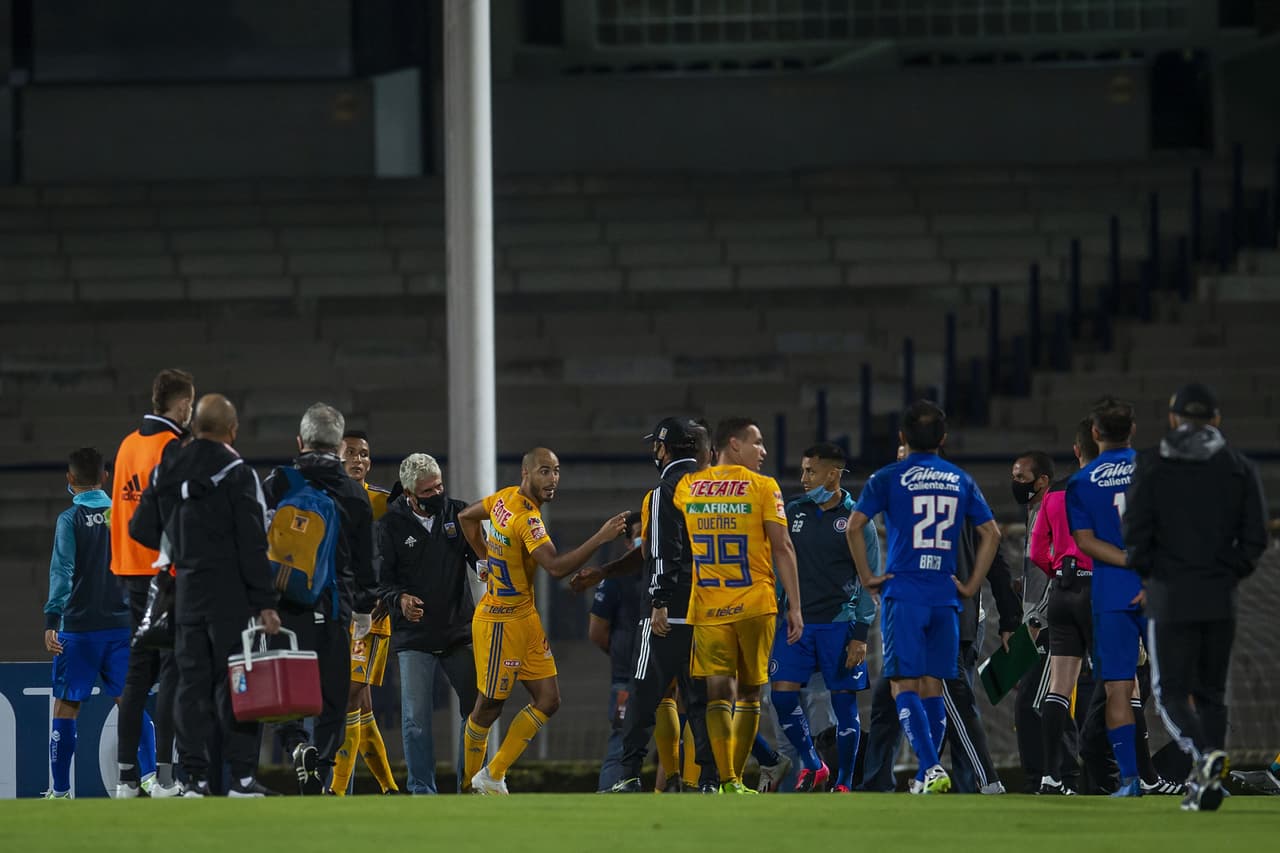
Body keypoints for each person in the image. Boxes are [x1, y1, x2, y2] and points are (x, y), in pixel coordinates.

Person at [129, 394, 282, 797]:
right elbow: (253, 543)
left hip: (186, 590)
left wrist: (179, 544)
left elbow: (140, 528)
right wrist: (265, 602)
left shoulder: (168, 466)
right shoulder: (238, 471)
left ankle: (192, 779)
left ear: (195, 427)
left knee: (189, 684)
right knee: (237, 681)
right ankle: (242, 779)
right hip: (229, 593)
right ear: (232, 431)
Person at [845, 401, 1001, 795]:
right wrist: (969, 585)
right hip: (946, 598)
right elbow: (993, 534)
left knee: (902, 683)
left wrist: (868, 578)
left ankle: (930, 767)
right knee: (933, 684)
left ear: (902, 437)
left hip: (905, 594)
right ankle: (925, 774)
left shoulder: (888, 477)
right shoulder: (960, 479)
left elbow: (854, 526)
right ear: (943, 439)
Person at [1125, 383, 1268, 811]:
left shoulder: (1152, 464)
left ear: (1173, 418)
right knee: (1211, 693)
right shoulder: (1238, 467)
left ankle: (1206, 757)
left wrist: (1155, 578)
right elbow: (1255, 539)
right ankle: (1210, 782)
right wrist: (1227, 573)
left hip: (1169, 595)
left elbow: (1134, 537)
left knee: (1170, 691)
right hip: (1219, 596)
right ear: (1216, 418)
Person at [458, 448, 628, 794]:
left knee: (549, 699)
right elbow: (556, 568)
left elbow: (466, 517)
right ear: (526, 473)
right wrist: (601, 537)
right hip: (499, 621)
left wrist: (485, 559)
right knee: (487, 707)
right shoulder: (527, 518)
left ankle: (491, 776)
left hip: (524, 617)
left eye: (556, 471)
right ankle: (468, 788)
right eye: (544, 472)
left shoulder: (504, 497)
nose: (553, 479)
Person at [672, 417, 803, 795]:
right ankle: (736, 780)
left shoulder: (688, 487)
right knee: (748, 694)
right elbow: (783, 547)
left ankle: (725, 778)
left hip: (709, 606)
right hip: (754, 603)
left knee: (718, 693)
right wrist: (795, 605)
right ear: (734, 443)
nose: (762, 451)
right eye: (756, 442)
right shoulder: (764, 487)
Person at [263, 403, 379, 795]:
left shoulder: (277, 482)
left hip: (281, 608)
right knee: (333, 699)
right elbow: (366, 561)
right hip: (333, 609)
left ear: (300, 441)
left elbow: (253, 543)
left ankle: (297, 745)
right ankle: (321, 772)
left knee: (282, 694)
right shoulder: (353, 493)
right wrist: (364, 609)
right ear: (338, 446)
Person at [605, 418, 718, 795]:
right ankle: (710, 779)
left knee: (643, 693)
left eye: (657, 445)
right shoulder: (712, 489)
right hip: (707, 607)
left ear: (665, 449)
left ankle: (629, 774)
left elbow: (662, 551)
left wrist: (659, 601)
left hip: (668, 609)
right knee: (698, 699)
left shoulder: (661, 492)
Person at [771, 442, 879, 793]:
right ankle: (814, 763)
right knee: (782, 697)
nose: (803, 478)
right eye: (803, 471)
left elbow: (869, 580)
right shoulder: (793, 511)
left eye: (811, 471)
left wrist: (860, 634)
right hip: (796, 624)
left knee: (844, 704)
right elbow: (779, 565)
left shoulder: (857, 519)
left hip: (840, 625)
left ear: (833, 474)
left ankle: (844, 782)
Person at [375, 453, 481, 795]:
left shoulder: (458, 512)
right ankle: (422, 790)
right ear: (409, 493)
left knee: (476, 711)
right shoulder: (390, 526)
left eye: (440, 486)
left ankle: (471, 783)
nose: (438, 493)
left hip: (458, 630)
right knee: (415, 721)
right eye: (428, 490)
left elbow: (478, 557)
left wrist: (487, 565)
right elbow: (384, 581)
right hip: (414, 636)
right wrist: (400, 601)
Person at [110, 368, 193, 798]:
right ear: (181, 406)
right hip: (163, 574)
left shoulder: (127, 444)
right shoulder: (171, 447)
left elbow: (121, 511)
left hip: (128, 572)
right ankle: (164, 777)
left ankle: (126, 778)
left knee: (137, 677)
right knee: (173, 673)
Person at [41, 448, 131, 799]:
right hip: (122, 626)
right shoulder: (122, 515)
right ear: (105, 477)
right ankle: (152, 781)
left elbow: (62, 571)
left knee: (66, 705)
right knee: (131, 702)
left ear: (69, 479)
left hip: (77, 629)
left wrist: (52, 618)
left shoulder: (69, 520)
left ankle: (60, 791)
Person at [1067, 396, 1143, 797]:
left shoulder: (1081, 481)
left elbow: (1084, 540)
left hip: (1112, 590)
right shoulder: (1153, 469)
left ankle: (1129, 781)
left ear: (1095, 434)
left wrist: (1126, 560)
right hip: (1160, 584)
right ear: (1132, 429)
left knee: (1117, 687)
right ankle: (1204, 766)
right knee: (1182, 680)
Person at [1030, 419, 1098, 795]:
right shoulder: (1105, 489)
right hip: (1098, 589)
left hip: (1061, 590)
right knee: (1123, 682)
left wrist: (1058, 569)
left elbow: (1037, 550)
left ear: (1076, 450)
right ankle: (1129, 774)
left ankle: (1050, 776)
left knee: (1059, 688)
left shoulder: (1054, 494)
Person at [329, 430, 398, 796]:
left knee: (350, 693)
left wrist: (389, 593)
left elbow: (401, 555)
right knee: (362, 701)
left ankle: (337, 790)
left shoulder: (385, 503)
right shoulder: (328, 498)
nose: (359, 459)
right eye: (351, 452)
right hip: (340, 611)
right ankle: (389, 787)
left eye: (365, 454)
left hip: (372, 614)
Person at [1010, 450, 1060, 791]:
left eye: (1021, 478)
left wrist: (1035, 620)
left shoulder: (1051, 512)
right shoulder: (1034, 512)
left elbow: (1056, 573)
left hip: (1044, 624)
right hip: (1035, 619)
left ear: (1041, 481)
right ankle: (1054, 776)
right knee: (1031, 700)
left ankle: (1044, 778)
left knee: (1031, 704)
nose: (1015, 484)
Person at [588, 514, 644, 792]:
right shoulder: (614, 577)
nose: (644, 537)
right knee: (621, 743)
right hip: (627, 678)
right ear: (626, 542)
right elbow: (597, 631)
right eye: (638, 532)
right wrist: (625, 653)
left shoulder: (668, 571)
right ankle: (610, 796)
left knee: (680, 742)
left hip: (670, 679)